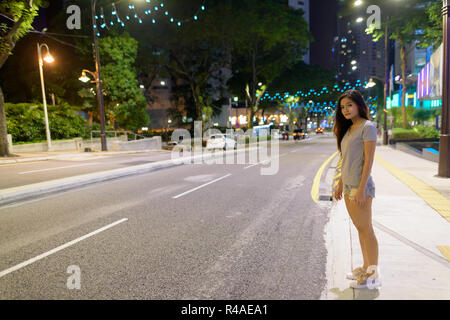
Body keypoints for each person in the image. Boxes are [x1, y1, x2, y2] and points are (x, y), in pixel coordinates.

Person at [333, 89, 381, 289]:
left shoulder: (367, 127)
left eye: (349, 105)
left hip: (361, 187)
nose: (345, 110)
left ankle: (373, 275)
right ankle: (364, 267)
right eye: (343, 107)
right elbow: (346, 159)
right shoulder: (349, 129)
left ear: (359, 105)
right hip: (349, 186)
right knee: (360, 229)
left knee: (367, 229)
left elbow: (368, 161)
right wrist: (340, 184)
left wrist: (361, 189)